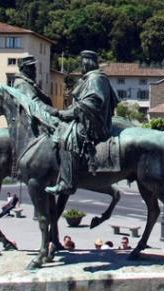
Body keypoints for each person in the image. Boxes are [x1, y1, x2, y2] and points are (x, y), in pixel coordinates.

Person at [45, 50, 117, 196]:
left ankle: (67, 183)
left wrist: (65, 113)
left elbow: (91, 103)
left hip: (95, 124)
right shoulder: (90, 78)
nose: (81, 66)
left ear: (87, 63)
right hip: (87, 119)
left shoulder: (96, 79)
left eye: (82, 63)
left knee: (67, 138)